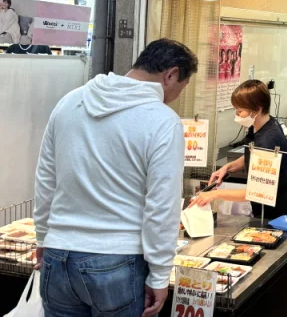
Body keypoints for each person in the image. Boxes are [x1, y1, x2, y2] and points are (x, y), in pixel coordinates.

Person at [34, 39, 199, 317]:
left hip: (58, 254)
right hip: (118, 262)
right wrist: (159, 275)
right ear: (170, 75)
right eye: (181, 88)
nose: (177, 96)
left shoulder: (69, 101)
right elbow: (162, 206)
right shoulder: (162, 120)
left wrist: (43, 237)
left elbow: (45, 179)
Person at [191, 79, 287, 219]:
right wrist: (228, 167)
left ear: (258, 108)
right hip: (270, 201)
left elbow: (259, 191)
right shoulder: (262, 124)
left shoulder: (268, 140)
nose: (237, 115)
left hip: (277, 208)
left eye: (240, 111)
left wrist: (215, 194)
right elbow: (253, 155)